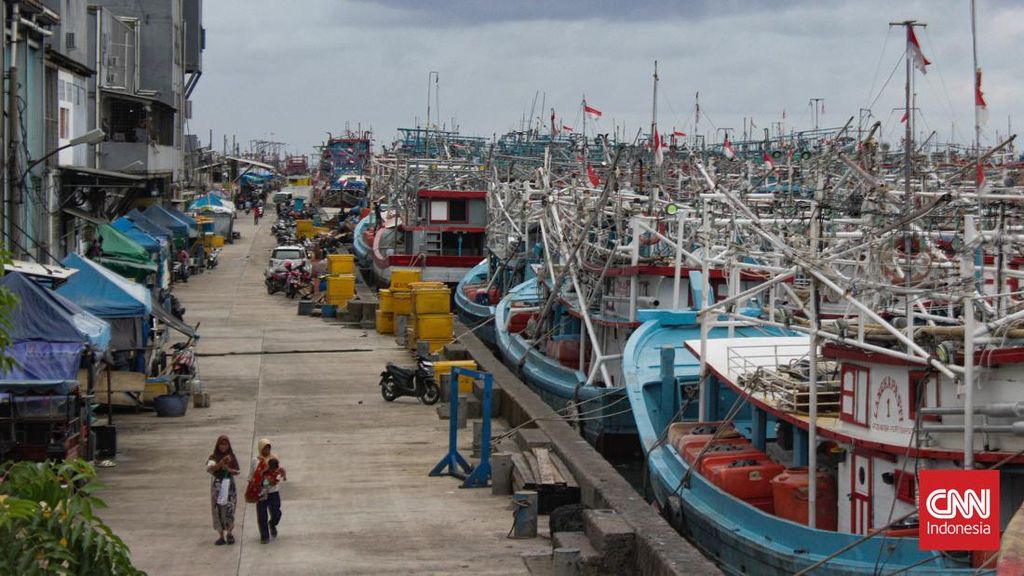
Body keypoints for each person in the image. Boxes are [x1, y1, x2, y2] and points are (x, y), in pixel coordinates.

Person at [206, 436, 240, 545]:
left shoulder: (232, 457)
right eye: (221, 444)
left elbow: (237, 471)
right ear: (217, 445)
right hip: (218, 486)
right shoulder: (213, 457)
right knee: (217, 508)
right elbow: (210, 468)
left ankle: (229, 533)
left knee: (229, 507)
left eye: (225, 444)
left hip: (229, 485)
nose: (223, 447)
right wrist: (221, 463)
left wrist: (229, 469)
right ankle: (221, 535)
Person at [249, 438, 283, 543]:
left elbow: (279, 471)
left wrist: (277, 479)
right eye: (264, 448)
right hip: (261, 491)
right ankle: (264, 536)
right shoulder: (256, 460)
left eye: (268, 447)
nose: (267, 450)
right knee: (262, 514)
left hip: (273, 490)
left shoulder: (274, 458)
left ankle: (272, 524)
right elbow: (252, 474)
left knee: (276, 512)